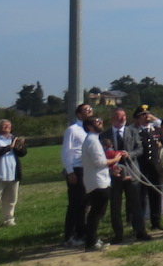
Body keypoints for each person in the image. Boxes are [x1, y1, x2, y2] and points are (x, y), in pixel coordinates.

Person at [103, 109, 150, 243]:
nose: (122, 119)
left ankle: (140, 231)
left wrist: (129, 154)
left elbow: (140, 149)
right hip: (114, 175)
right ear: (112, 119)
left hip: (132, 173)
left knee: (136, 204)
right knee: (115, 206)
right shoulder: (104, 135)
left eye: (123, 116)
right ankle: (118, 234)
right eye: (118, 117)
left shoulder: (133, 132)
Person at [80, 116, 123, 251]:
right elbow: (99, 162)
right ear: (89, 126)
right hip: (97, 181)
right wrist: (115, 159)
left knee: (97, 212)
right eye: (97, 122)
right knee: (96, 213)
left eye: (100, 121)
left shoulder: (93, 140)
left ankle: (92, 239)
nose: (101, 123)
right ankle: (91, 241)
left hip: (99, 179)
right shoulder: (92, 140)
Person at [60, 102, 95, 247]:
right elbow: (65, 152)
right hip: (76, 169)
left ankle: (82, 232)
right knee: (75, 204)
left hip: (88, 169)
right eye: (87, 110)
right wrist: (70, 171)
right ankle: (70, 235)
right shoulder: (73, 130)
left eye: (91, 109)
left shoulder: (91, 129)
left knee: (85, 203)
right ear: (79, 114)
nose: (90, 111)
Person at [134, 109, 163, 232]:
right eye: (143, 115)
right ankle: (140, 223)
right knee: (141, 198)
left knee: (156, 197)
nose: (146, 117)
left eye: (147, 114)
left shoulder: (156, 131)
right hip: (141, 169)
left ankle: (156, 222)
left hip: (155, 168)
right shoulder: (135, 132)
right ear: (138, 118)